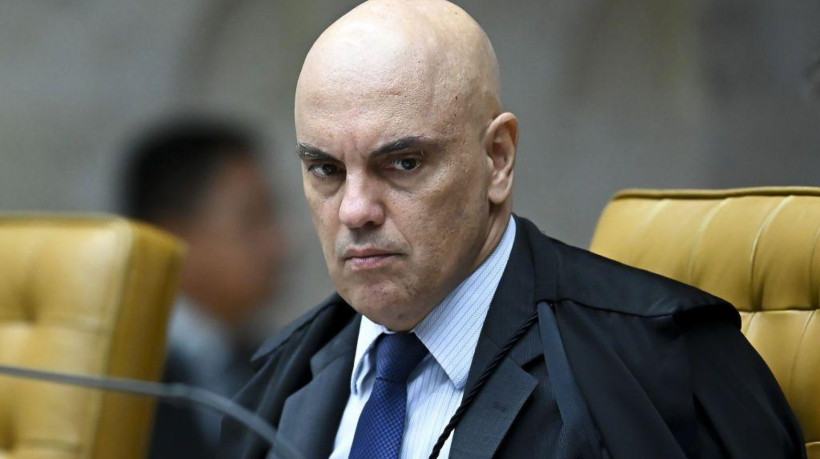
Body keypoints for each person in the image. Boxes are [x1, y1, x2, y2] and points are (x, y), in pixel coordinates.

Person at [222, 1, 805, 458]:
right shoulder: (276, 381)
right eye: (326, 170)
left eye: (403, 163)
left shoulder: (662, 365)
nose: (354, 210)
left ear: (497, 159)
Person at [120, 117, 285, 459]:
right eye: (252, 220)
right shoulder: (117, 372)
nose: (279, 246)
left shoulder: (272, 362)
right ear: (173, 239)